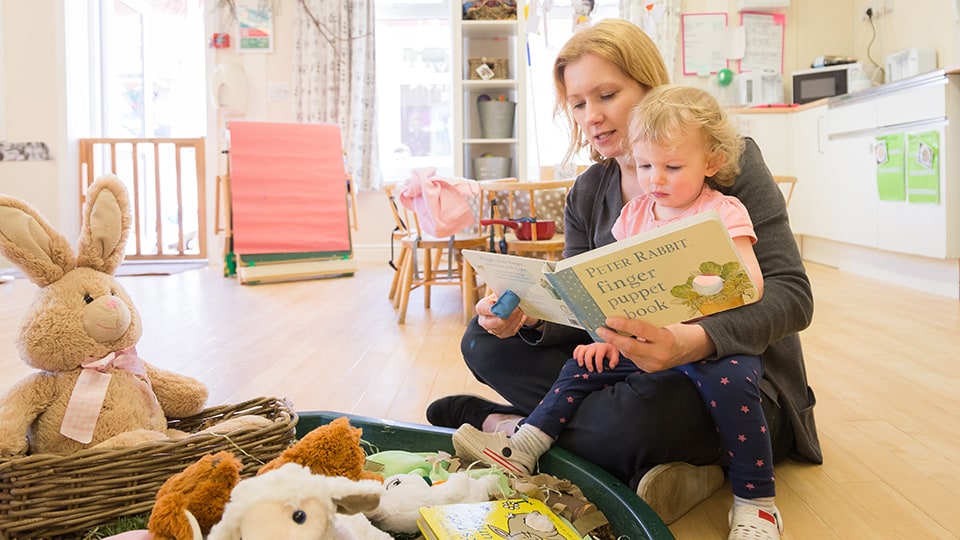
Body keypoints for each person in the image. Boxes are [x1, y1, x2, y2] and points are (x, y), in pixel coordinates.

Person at [426, 17, 821, 532]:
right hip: (630, 365)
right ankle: (639, 458)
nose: (591, 116)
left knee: (643, 415)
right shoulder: (590, 190)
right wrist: (532, 316)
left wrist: (694, 341)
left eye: (607, 95)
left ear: (650, 87)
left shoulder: (726, 163)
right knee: (483, 342)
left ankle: (514, 426)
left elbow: (792, 296)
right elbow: (582, 309)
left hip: (730, 377)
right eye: (577, 103)